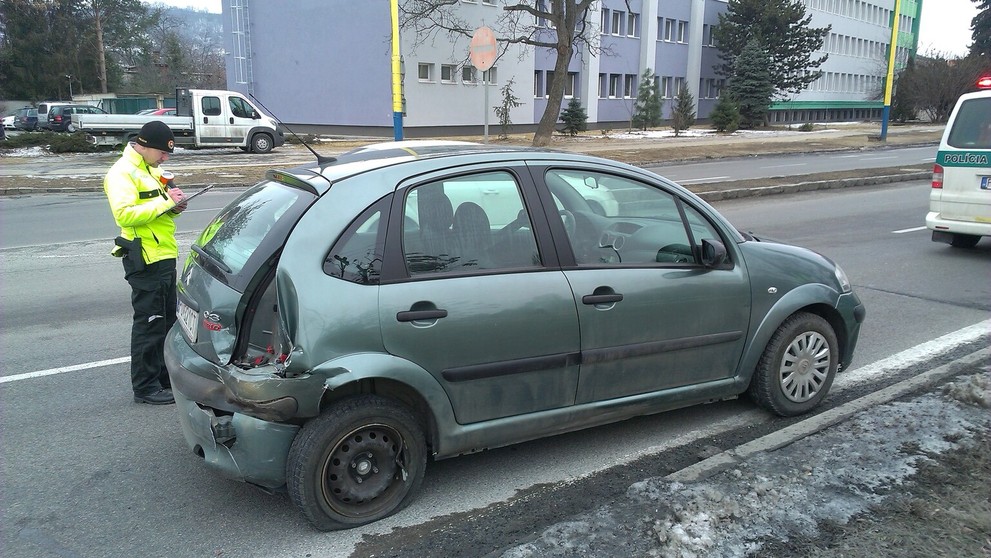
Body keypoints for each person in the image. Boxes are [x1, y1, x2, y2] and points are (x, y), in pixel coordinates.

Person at [104, 120, 187, 405]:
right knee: (149, 324)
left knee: (166, 323)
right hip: (144, 258)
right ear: (145, 145)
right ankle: (145, 387)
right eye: (162, 152)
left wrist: (174, 206)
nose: (165, 158)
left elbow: (157, 210)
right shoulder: (122, 174)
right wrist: (165, 203)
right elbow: (125, 215)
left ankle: (163, 379)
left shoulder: (152, 170)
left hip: (163, 255)